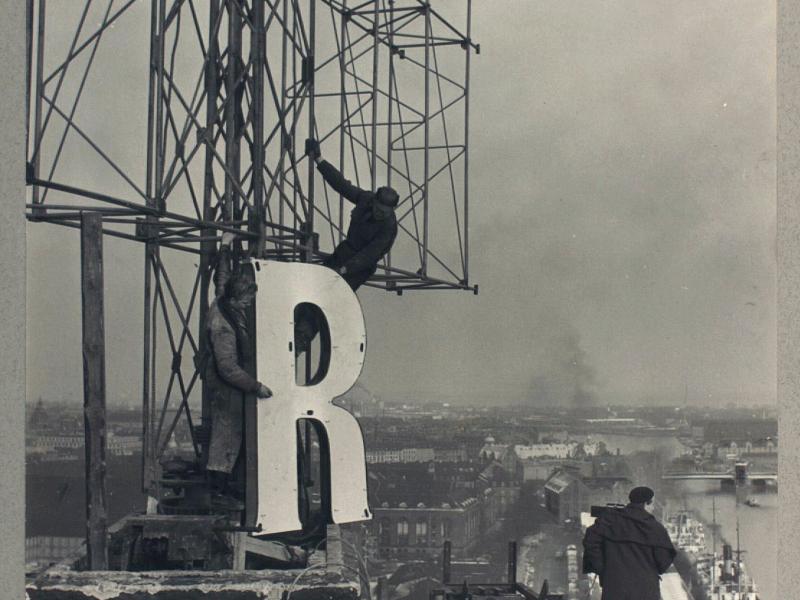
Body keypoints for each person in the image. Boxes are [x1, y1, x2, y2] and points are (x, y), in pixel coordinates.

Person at [205, 231, 272, 507]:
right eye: (246, 301)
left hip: (229, 382)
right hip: (226, 385)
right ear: (237, 299)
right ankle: (217, 491)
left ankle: (224, 486)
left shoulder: (224, 300)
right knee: (227, 433)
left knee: (231, 432)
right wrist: (257, 387)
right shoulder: (223, 324)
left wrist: (224, 246)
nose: (249, 305)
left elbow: (221, 279)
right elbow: (228, 368)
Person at [305, 137, 399, 291]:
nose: (378, 214)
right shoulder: (366, 199)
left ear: (392, 211)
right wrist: (318, 159)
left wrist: (343, 270)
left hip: (359, 268)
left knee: (336, 293)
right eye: (377, 209)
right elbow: (342, 185)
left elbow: (369, 255)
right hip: (344, 252)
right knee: (314, 287)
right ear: (374, 201)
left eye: (384, 212)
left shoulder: (388, 228)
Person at [582, 486, 676, 600]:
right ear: (647, 503)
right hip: (646, 591)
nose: (653, 508)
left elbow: (591, 541)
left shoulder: (610, 521)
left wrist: (603, 569)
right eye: (652, 504)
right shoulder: (656, 529)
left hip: (614, 588)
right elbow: (663, 563)